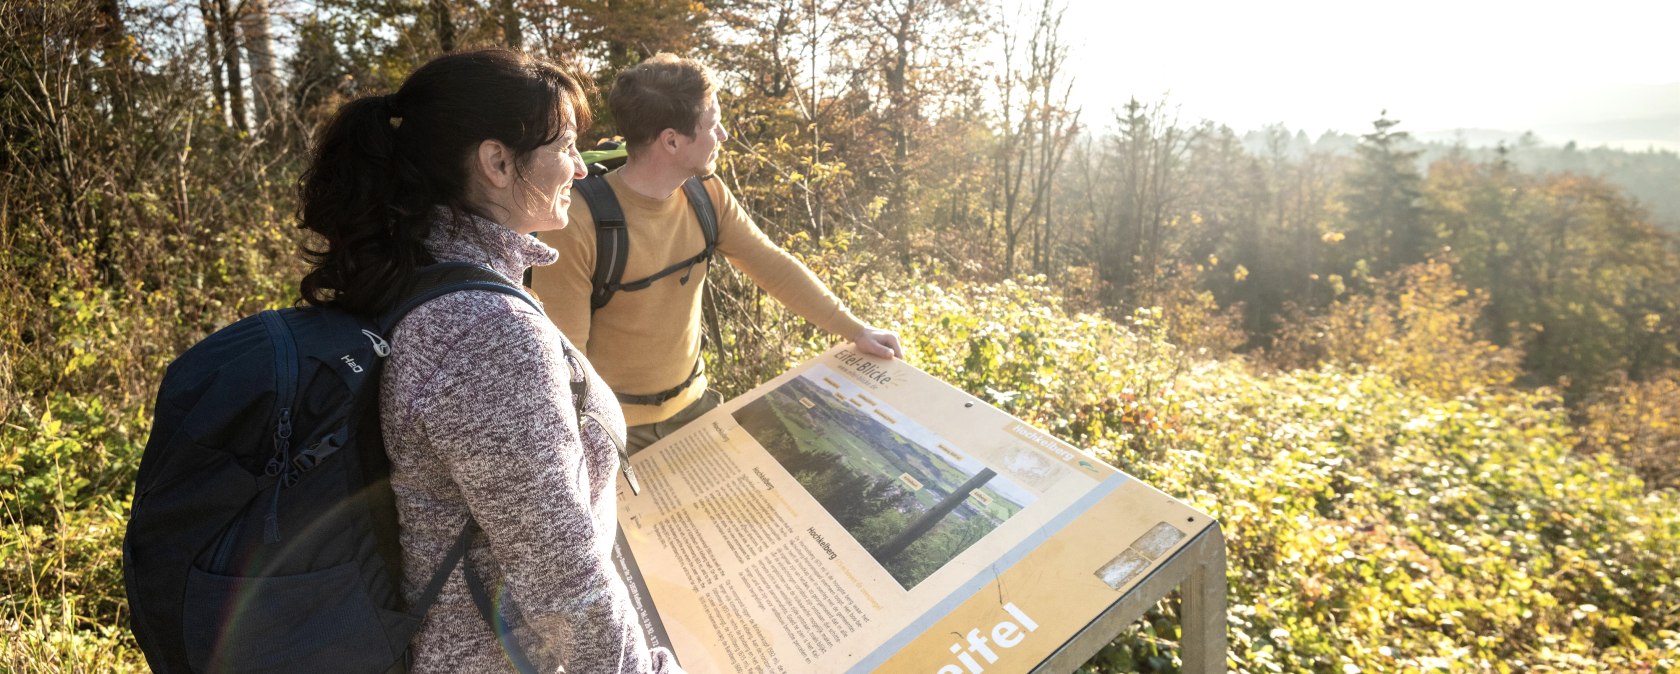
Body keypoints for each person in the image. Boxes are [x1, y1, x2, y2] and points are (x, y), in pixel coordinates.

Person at [296, 49, 682, 673]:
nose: (583, 169)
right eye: (566, 145)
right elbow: (564, 587)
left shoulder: (421, 279)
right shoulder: (484, 333)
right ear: (498, 163)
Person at [531, 53, 903, 452]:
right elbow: (567, 361)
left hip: (698, 409)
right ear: (671, 140)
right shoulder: (577, 224)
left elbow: (772, 266)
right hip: (614, 431)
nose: (723, 135)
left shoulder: (706, 195)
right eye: (712, 124)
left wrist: (857, 330)